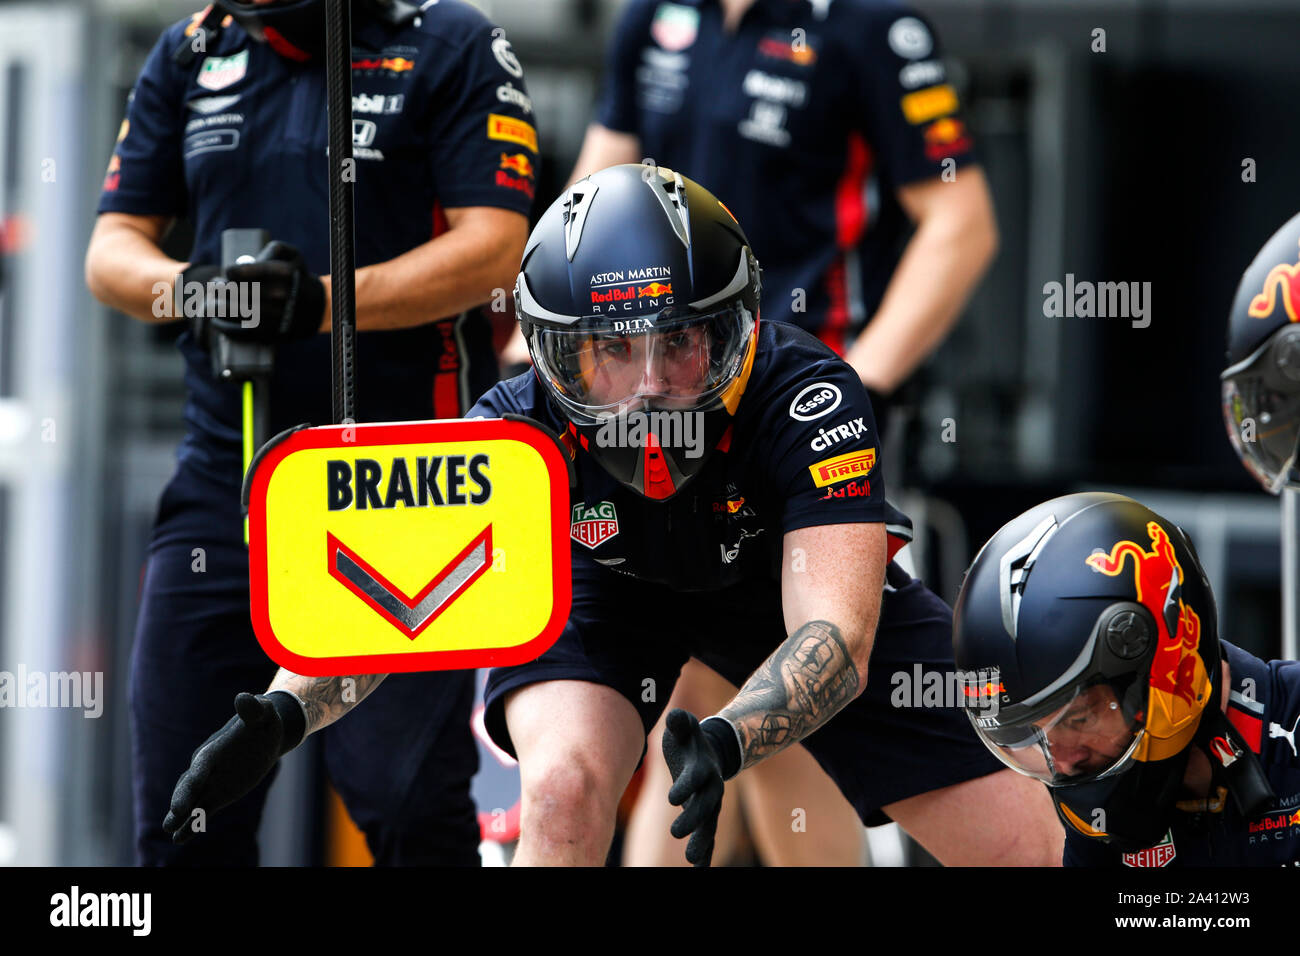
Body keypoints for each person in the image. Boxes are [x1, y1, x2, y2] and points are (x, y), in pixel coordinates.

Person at [163, 164, 1061, 867]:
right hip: (602, 592)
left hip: (776, 593)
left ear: (735, 328)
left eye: (680, 342)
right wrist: (277, 716)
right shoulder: (510, 428)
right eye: (610, 352)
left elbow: (837, 638)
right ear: (555, 356)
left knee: (1037, 851)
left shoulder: (811, 394)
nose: (651, 387)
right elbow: (392, 606)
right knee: (560, 797)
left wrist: (727, 738)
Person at [84, 0, 539, 865]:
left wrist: (322, 302)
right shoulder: (192, 48)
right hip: (227, 480)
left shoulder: (451, 40)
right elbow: (110, 253)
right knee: (185, 813)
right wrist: (204, 289)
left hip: (408, 489)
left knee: (402, 804)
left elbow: (497, 249)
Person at [562, 0, 998, 865]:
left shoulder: (869, 27)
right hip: (659, 422)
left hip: (799, 421)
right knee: (701, 715)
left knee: (772, 707)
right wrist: (540, 359)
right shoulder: (651, 18)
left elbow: (962, 221)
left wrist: (859, 381)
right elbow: (588, 202)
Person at [951, 492, 1295, 866]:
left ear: (1166, 664)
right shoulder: (1100, 834)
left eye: (1078, 719)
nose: (1063, 762)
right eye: (1037, 737)